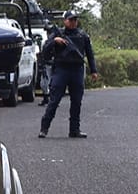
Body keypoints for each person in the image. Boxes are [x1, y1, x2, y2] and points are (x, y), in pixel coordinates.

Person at [37, 10, 97, 139]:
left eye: (75, 20)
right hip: (62, 69)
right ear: (65, 21)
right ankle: (44, 128)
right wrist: (54, 41)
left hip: (77, 70)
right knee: (54, 100)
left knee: (76, 102)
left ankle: (74, 130)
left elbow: (90, 53)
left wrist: (94, 71)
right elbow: (45, 50)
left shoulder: (82, 35)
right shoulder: (58, 34)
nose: (73, 22)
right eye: (70, 20)